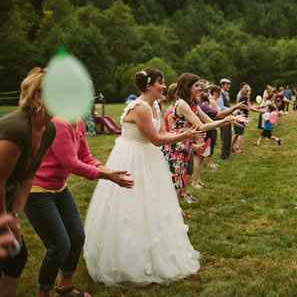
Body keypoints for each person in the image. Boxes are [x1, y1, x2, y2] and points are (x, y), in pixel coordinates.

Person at [84, 68, 203, 285]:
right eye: (161, 82)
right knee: (131, 206)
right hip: (132, 158)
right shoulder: (140, 108)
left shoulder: (154, 105)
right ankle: (126, 260)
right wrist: (185, 134)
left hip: (148, 157)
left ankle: (155, 251)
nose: (165, 85)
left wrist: (179, 135)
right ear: (149, 86)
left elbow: (160, 135)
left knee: (153, 205)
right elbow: (156, 140)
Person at [26, 118, 134, 297]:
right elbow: (71, 163)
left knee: (76, 237)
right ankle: (43, 292)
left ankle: (64, 286)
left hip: (59, 188)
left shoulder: (79, 122)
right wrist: (108, 176)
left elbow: (85, 157)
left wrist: (108, 171)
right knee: (59, 245)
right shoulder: (59, 123)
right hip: (37, 191)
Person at [0, 68, 56, 297]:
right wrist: (3, 222)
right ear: (37, 97)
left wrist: (14, 216)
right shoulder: (16, 129)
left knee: (15, 258)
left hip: (8, 194)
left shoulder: (48, 129)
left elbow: (28, 176)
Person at [218, 78, 233, 160]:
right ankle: (223, 154)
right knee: (224, 135)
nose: (229, 86)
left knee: (229, 135)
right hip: (224, 116)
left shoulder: (226, 93)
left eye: (229, 84)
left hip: (228, 115)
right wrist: (232, 109)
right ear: (223, 85)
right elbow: (221, 107)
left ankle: (228, 152)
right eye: (227, 84)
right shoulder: (220, 94)